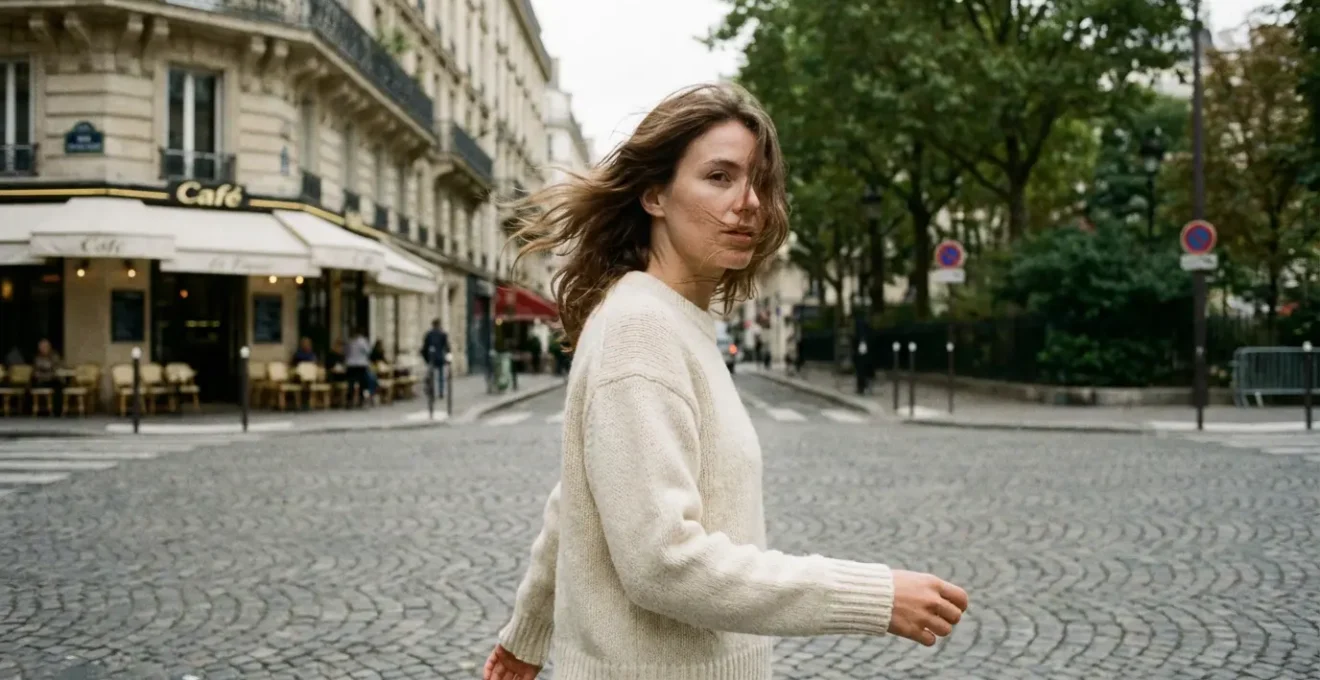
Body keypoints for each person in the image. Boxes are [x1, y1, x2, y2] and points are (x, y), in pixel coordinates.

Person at [484, 83, 968, 680]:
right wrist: (876, 596)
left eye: (759, 182)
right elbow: (661, 563)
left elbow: (575, 497)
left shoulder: (675, 321)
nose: (750, 203)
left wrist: (526, 635)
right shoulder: (642, 329)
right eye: (720, 177)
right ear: (654, 194)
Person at [31, 339, 64, 416]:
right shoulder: (37, 358)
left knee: (59, 386)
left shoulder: (54, 356)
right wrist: (47, 369)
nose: (44, 348)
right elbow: (36, 372)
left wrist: (47, 369)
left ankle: (57, 411)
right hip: (42, 381)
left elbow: (57, 368)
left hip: (53, 379)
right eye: (42, 347)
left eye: (45, 347)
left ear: (49, 347)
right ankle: (41, 411)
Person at [420, 319, 449, 398]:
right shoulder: (443, 334)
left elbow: (424, 348)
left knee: (431, 375)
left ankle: (432, 391)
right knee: (441, 377)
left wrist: (426, 359)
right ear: (439, 325)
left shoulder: (428, 334)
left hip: (431, 358)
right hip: (440, 358)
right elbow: (447, 347)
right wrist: (447, 358)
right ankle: (440, 392)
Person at [344, 328, 372, 407]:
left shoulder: (349, 341)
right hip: (361, 364)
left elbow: (346, 352)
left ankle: (349, 400)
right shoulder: (362, 341)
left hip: (351, 364)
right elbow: (368, 351)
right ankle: (360, 400)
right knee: (362, 383)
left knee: (351, 383)